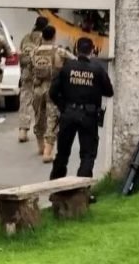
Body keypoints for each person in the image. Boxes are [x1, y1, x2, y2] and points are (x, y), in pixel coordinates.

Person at [49, 37, 114, 188]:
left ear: (77, 50)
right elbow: (109, 92)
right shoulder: (97, 69)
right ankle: (81, 190)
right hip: (89, 116)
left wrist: (63, 106)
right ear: (92, 50)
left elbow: (53, 92)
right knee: (87, 155)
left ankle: (55, 188)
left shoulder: (67, 67)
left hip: (68, 113)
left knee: (62, 153)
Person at [30, 25, 76, 163]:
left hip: (37, 89)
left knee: (39, 117)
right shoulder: (59, 51)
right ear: (54, 36)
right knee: (53, 120)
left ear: (42, 36)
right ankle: (48, 152)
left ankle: (40, 146)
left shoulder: (34, 52)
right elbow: (74, 61)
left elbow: (29, 68)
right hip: (53, 89)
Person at [18, 16, 49, 143]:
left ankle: (23, 131)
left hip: (26, 73)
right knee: (40, 102)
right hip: (39, 75)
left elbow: (21, 53)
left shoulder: (26, 37)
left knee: (25, 99)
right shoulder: (44, 38)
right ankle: (41, 130)